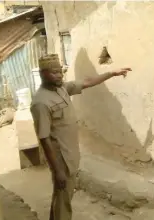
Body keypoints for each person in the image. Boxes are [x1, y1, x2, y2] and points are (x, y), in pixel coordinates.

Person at [30, 54, 131, 220]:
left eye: (60, 71)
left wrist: (112, 73)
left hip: (71, 155)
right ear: (43, 74)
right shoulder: (41, 102)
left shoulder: (61, 88)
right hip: (62, 160)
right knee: (64, 201)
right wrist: (58, 170)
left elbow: (87, 82)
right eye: (54, 72)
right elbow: (44, 139)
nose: (59, 75)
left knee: (62, 198)